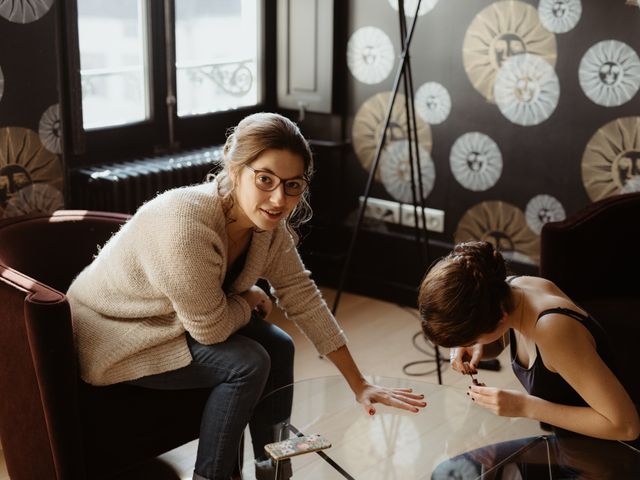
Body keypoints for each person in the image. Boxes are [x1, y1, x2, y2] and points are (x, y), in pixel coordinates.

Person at [67, 112, 427, 480]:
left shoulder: (267, 229)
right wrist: (244, 298)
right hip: (114, 333)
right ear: (235, 168)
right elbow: (210, 330)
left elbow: (301, 295)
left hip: (173, 317)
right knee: (248, 362)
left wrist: (359, 383)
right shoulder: (185, 223)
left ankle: (273, 471)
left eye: (293, 185)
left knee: (280, 345)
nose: (278, 199)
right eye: (265, 180)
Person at [418, 240, 639, 442]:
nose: (471, 343)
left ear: (499, 317)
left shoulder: (553, 331)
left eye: (472, 337)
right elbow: (504, 336)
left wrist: (525, 406)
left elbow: (626, 427)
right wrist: (473, 346)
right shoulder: (510, 290)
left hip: (610, 455)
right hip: (570, 443)